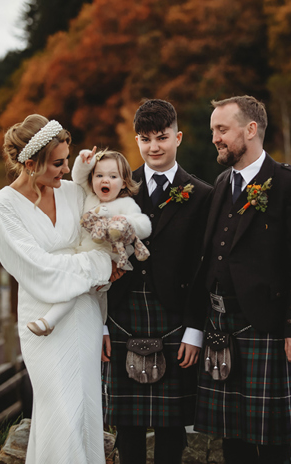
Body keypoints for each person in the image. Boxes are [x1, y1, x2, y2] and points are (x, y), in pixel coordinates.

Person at [192, 95, 291, 464]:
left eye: (222, 129)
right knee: (230, 433)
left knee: (270, 439)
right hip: (221, 324)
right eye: (213, 130)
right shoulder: (221, 182)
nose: (215, 138)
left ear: (250, 130)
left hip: (266, 325)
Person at [0, 114, 121, 464]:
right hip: (43, 317)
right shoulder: (3, 205)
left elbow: (94, 240)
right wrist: (98, 267)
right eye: (58, 163)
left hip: (86, 312)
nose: (66, 170)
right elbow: (38, 268)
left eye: (67, 160)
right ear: (30, 164)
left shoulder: (72, 193)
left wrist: (103, 265)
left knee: (86, 407)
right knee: (61, 408)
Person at [101, 100, 213, 464]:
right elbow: (96, 257)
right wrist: (100, 324)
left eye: (162, 137)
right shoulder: (118, 190)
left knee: (171, 427)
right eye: (146, 139)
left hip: (175, 319)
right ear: (137, 140)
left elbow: (204, 270)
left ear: (177, 137)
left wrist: (195, 331)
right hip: (120, 315)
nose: (154, 147)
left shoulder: (201, 195)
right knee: (127, 425)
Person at [27, 149, 151, 336]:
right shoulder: (89, 196)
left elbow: (144, 225)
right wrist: (85, 161)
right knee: (85, 292)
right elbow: (78, 176)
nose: (105, 180)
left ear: (124, 181)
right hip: (82, 255)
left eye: (112, 176)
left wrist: (126, 223)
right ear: (92, 179)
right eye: (99, 175)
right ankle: (96, 328)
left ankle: (49, 321)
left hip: (106, 257)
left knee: (76, 287)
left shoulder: (125, 204)